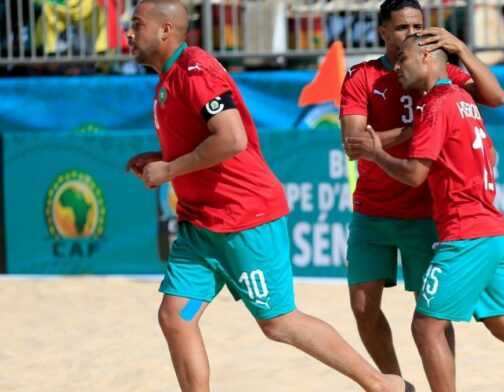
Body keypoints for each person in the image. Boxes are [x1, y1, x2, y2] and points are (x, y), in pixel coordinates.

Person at [124, 1, 413, 391]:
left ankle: (381, 385)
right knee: (177, 316)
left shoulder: (195, 70)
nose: (127, 32)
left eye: (137, 24)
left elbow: (231, 138)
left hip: (244, 219)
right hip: (203, 226)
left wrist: (170, 170)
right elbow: (205, 143)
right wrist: (160, 159)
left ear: (165, 30)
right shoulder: (169, 78)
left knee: (279, 323)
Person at [344, 33, 504, 392]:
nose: (397, 67)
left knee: (426, 326)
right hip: (490, 229)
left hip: (467, 235)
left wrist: (376, 153)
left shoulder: (437, 104)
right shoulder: (464, 100)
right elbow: (489, 155)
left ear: (430, 57)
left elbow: (415, 174)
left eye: (404, 59)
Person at [339, 0, 504, 377]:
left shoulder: (432, 65)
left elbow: (496, 97)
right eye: (401, 27)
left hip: (425, 210)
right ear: (383, 32)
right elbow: (353, 144)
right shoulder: (362, 76)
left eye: (418, 25)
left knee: (432, 315)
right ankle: (395, 384)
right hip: (373, 208)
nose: (412, 33)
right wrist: (420, 131)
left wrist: (462, 49)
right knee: (364, 307)